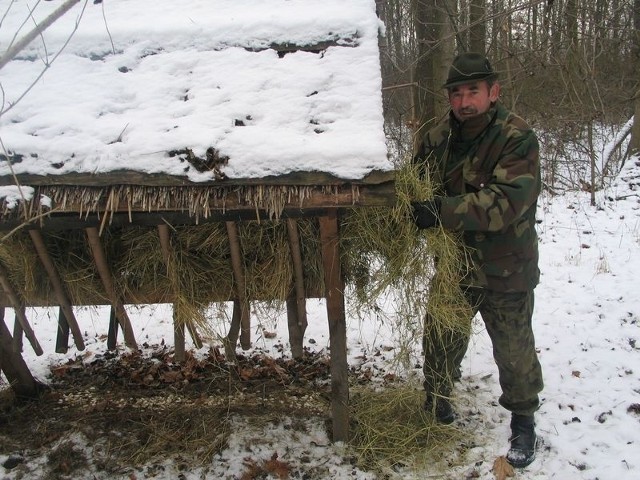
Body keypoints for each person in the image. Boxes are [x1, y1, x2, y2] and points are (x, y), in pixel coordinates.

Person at [411, 52, 544, 469]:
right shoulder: (435, 137)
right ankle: (437, 401)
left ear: (493, 92)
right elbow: (416, 186)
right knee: (440, 336)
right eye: (457, 93)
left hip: (507, 264)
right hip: (455, 264)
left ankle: (523, 420)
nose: (465, 101)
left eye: (473, 91)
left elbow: (507, 202)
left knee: (513, 348)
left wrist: (440, 211)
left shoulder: (517, 137)